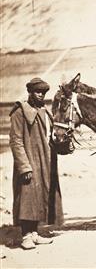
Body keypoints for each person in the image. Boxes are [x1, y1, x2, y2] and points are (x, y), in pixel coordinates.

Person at [9, 77, 63, 250]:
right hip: (29, 159)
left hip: (44, 161)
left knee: (39, 197)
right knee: (27, 197)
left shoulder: (44, 112)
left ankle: (34, 233)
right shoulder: (19, 112)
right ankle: (25, 236)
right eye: (37, 92)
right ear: (30, 92)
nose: (40, 95)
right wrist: (24, 165)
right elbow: (16, 141)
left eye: (43, 92)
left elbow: (49, 136)